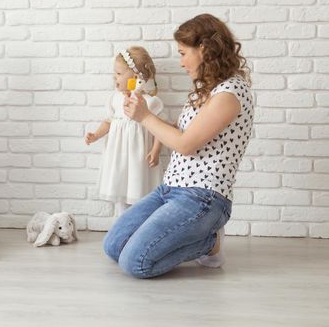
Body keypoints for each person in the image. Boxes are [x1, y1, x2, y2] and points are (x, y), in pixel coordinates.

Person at [103, 14, 254, 278]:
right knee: (113, 245)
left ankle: (209, 242)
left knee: (134, 263)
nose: (181, 61)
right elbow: (177, 132)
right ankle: (193, 238)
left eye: (184, 53)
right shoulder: (205, 91)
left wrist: (146, 117)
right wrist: (143, 115)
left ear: (204, 49)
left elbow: (185, 145)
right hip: (170, 188)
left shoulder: (229, 94)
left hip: (203, 197)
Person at [85, 46, 165, 216]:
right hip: (118, 157)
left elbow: (159, 129)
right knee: (120, 191)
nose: (115, 77)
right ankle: (121, 224)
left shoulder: (150, 102)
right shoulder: (115, 99)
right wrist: (96, 135)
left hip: (139, 157)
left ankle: (140, 226)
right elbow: (109, 122)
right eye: (115, 73)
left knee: (139, 190)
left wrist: (156, 150)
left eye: (119, 73)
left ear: (136, 77)